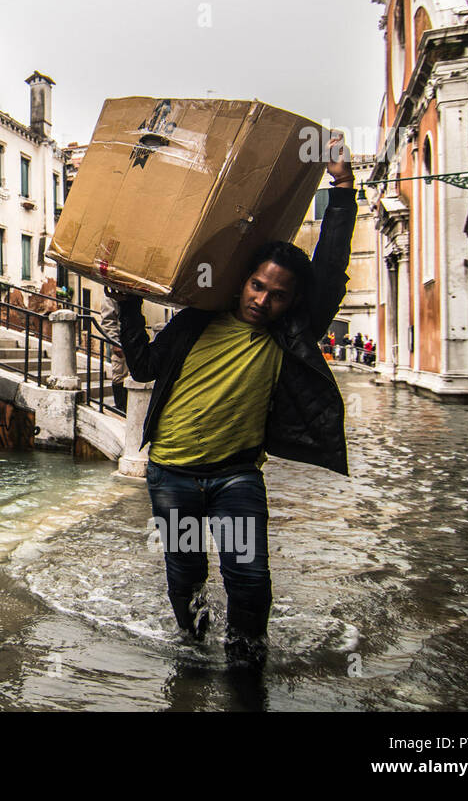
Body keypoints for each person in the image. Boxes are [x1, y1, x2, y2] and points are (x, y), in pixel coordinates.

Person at [113, 135, 357, 673]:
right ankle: (193, 652)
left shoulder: (289, 333)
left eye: (277, 294)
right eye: (256, 285)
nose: (262, 300)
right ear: (242, 280)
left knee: (248, 575)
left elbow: (332, 265)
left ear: (293, 302)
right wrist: (127, 305)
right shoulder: (198, 318)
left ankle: (247, 668)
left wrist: (341, 187)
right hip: (172, 475)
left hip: (236, 476)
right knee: (184, 570)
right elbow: (143, 369)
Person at [100, 290, 130, 412]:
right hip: (121, 340)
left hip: (132, 339)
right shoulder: (111, 292)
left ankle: (127, 408)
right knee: (119, 374)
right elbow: (108, 320)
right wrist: (115, 342)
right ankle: (121, 408)